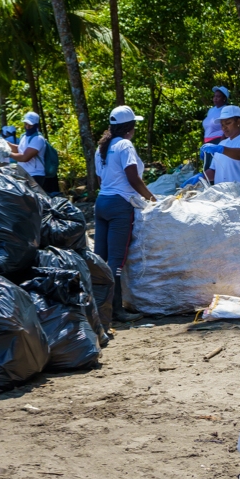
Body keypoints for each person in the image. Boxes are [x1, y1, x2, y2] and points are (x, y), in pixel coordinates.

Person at [94, 106, 155, 324]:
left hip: (101, 203)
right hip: (120, 205)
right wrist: (151, 198)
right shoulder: (125, 145)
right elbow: (132, 176)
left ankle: (97, 308)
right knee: (117, 261)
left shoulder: (102, 147)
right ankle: (116, 310)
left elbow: (101, 181)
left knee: (100, 257)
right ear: (130, 127)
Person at [201, 105, 240, 199]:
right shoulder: (222, 143)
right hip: (223, 197)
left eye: (228, 123)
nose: (224, 127)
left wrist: (221, 149)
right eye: (222, 124)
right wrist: (201, 177)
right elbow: (214, 170)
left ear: (238, 122)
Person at [9, 111, 47, 187]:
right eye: (26, 124)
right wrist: (5, 144)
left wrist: (8, 153)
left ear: (36, 125)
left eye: (30, 125)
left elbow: (25, 157)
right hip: (23, 174)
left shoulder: (38, 139)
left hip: (35, 175)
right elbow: (19, 149)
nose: (27, 127)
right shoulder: (24, 136)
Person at [201, 86, 229, 170]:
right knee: (207, 165)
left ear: (224, 98)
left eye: (218, 96)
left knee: (212, 165)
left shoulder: (225, 109)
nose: (215, 98)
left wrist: (222, 140)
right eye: (214, 96)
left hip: (218, 139)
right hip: (207, 140)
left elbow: (227, 125)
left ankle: (213, 182)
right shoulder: (211, 110)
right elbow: (208, 127)